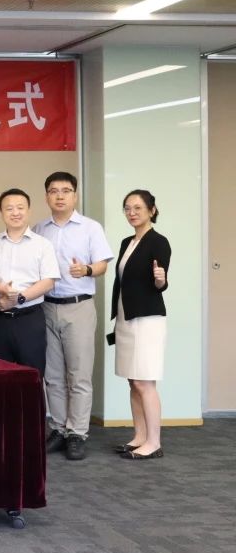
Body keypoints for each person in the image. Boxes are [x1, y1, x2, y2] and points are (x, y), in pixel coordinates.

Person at [35, 171, 114, 461]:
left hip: (78, 306)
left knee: (78, 375)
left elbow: (102, 264)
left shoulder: (90, 228)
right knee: (53, 375)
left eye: (65, 191)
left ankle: (77, 433)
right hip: (46, 306)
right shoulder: (39, 229)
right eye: (53, 191)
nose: (60, 196)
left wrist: (87, 270)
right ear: (47, 196)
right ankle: (58, 428)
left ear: (75, 195)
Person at [110, 189, 171, 460]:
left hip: (147, 320)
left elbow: (161, 283)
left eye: (137, 207)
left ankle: (154, 442)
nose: (132, 213)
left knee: (145, 381)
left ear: (151, 210)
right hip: (126, 317)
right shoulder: (127, 242)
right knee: (133, 381)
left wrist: (160, 279)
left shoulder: (158, 241)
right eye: (127, 208)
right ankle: (140, 436)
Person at [0, 189, 59, 373]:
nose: (15, 213)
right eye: (9, 208)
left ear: (29, 210)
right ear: (1, 212)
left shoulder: (42, 245)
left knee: (32, 375)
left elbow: (49, 281)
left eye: (20, 207)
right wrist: (1, 289)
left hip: (29, 320)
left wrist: (18, 298)